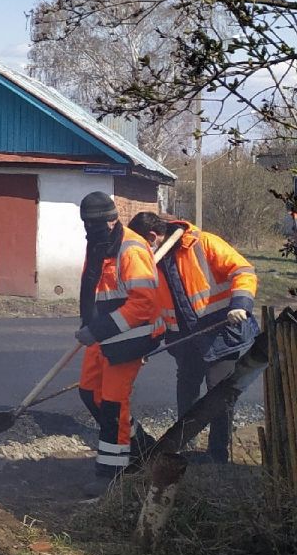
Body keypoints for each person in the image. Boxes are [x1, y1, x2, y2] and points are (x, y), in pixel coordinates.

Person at [128, 211, 260, 463]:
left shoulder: (204, 243)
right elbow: (151, 308)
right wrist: (142, 345)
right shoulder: (152, 263)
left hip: (221, 334)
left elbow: (243, 270)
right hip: (185, 342)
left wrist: (240, 303)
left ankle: (218, 455)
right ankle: (179, 452)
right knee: (186, 393)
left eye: (141, 245)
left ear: (153, 237)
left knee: (219, 394)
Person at [74, 192, 170, 492]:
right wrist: (87, 323)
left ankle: (112, 477)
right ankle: (141, 446)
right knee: (90, 393)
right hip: (102, 334)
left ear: (113, 220)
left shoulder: (131, 250)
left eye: (95, 224)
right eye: (86, 224)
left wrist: (99, 329)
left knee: (114, 404)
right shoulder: (98, 243)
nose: (90, 229)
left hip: (131, 336)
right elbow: (94, 290)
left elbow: (143, 305)